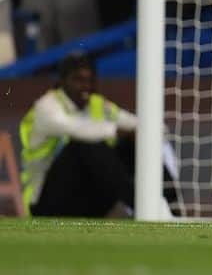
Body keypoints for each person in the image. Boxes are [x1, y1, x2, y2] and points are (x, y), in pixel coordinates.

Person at [20, 51, 177, 218]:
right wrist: (118, 131)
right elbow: (78, 129)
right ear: (63, 81)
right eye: (78, 80)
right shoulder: (47, 107)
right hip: (47, 204)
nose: (86, 86)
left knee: (133, 144)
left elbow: (134, 122)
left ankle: (172, 209)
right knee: (85, 146)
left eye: (90, 80)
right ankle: (146, 210)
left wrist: (147, 131)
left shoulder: (97, 104)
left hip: (86, 201)